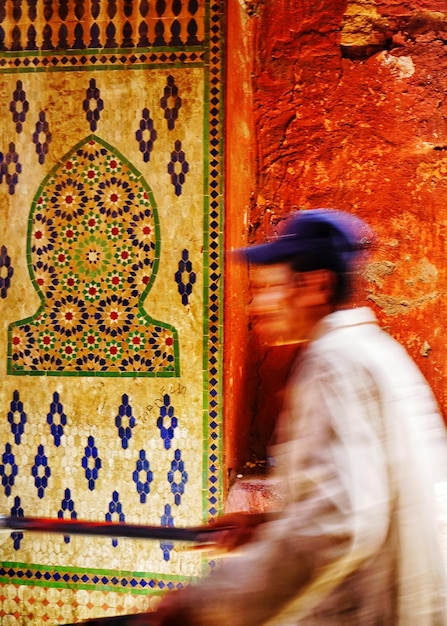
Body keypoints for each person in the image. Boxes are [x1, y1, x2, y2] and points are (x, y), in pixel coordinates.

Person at [154, 208, 447, 625]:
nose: (257, 305)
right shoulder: (375, 350)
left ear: (315, 285)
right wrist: (269, 526)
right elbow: (366, 495)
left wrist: (206, 605)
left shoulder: (334, 361)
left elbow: (337, 526)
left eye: (269, 287)